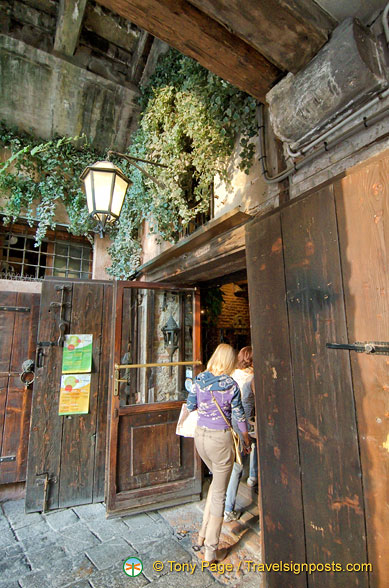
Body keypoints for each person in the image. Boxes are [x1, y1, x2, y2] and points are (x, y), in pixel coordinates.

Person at [187, 343, 251, 563]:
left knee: (215, 486)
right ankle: (211, 551)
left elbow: (191, 404)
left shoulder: (200, 379)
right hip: (220, 439)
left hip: (200, 437)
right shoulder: (230, 385)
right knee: (219, 495)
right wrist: (245, 437)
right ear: (229, 360)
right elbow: (239, 415)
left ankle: (202, 535)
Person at [224, 346, 256, 522]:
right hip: (243, 424)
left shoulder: (232, 374)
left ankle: (252, 475)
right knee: (238, 465)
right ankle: (228, 508)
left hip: (229, 423)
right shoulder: (252, 378)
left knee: (236, 460)